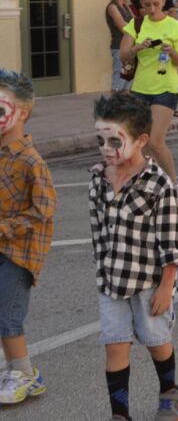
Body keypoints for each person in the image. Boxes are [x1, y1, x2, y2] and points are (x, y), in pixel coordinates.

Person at [88, 92, 178, 420]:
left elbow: (171, 242)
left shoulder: (159, 185)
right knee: (115, 345)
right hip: (112, 281)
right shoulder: (98, 177)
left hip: (149, 282)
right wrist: (102, 271)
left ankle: (170, 392)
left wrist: (166, 286)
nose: (106, 149)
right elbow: (98, 230)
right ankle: (120, 413)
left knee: (156, 340)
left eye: (115, 141)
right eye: (100, 140)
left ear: (142, 140)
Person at [0, 71, 55, 407]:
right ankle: (18, 372)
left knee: (9, 315)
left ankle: (23, 374)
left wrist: (5, 228)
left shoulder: (30, 160)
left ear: (20, 112)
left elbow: (45, 210)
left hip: (19, 252)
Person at [119, 0, 178, 186]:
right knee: (143, 142)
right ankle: (156, 183)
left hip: (166, 86)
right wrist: (137, 47)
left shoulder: (175, 26)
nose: (152, 9)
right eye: (147, 5)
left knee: (156, 141)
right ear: (141, 4)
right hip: (140, 87)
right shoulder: (136, 24)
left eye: (156, 4)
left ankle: (174, 185)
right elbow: (123, 56)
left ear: (164, 2)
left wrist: (171, 51)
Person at [106, 0, 134, 91]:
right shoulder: (112, 7)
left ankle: (125, 106)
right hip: (119, 47)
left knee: (128, 80)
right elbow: (123, 26)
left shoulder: (126, 6)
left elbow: (135, 22)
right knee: (119, 80)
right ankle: (114, 107)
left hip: (130, 47)